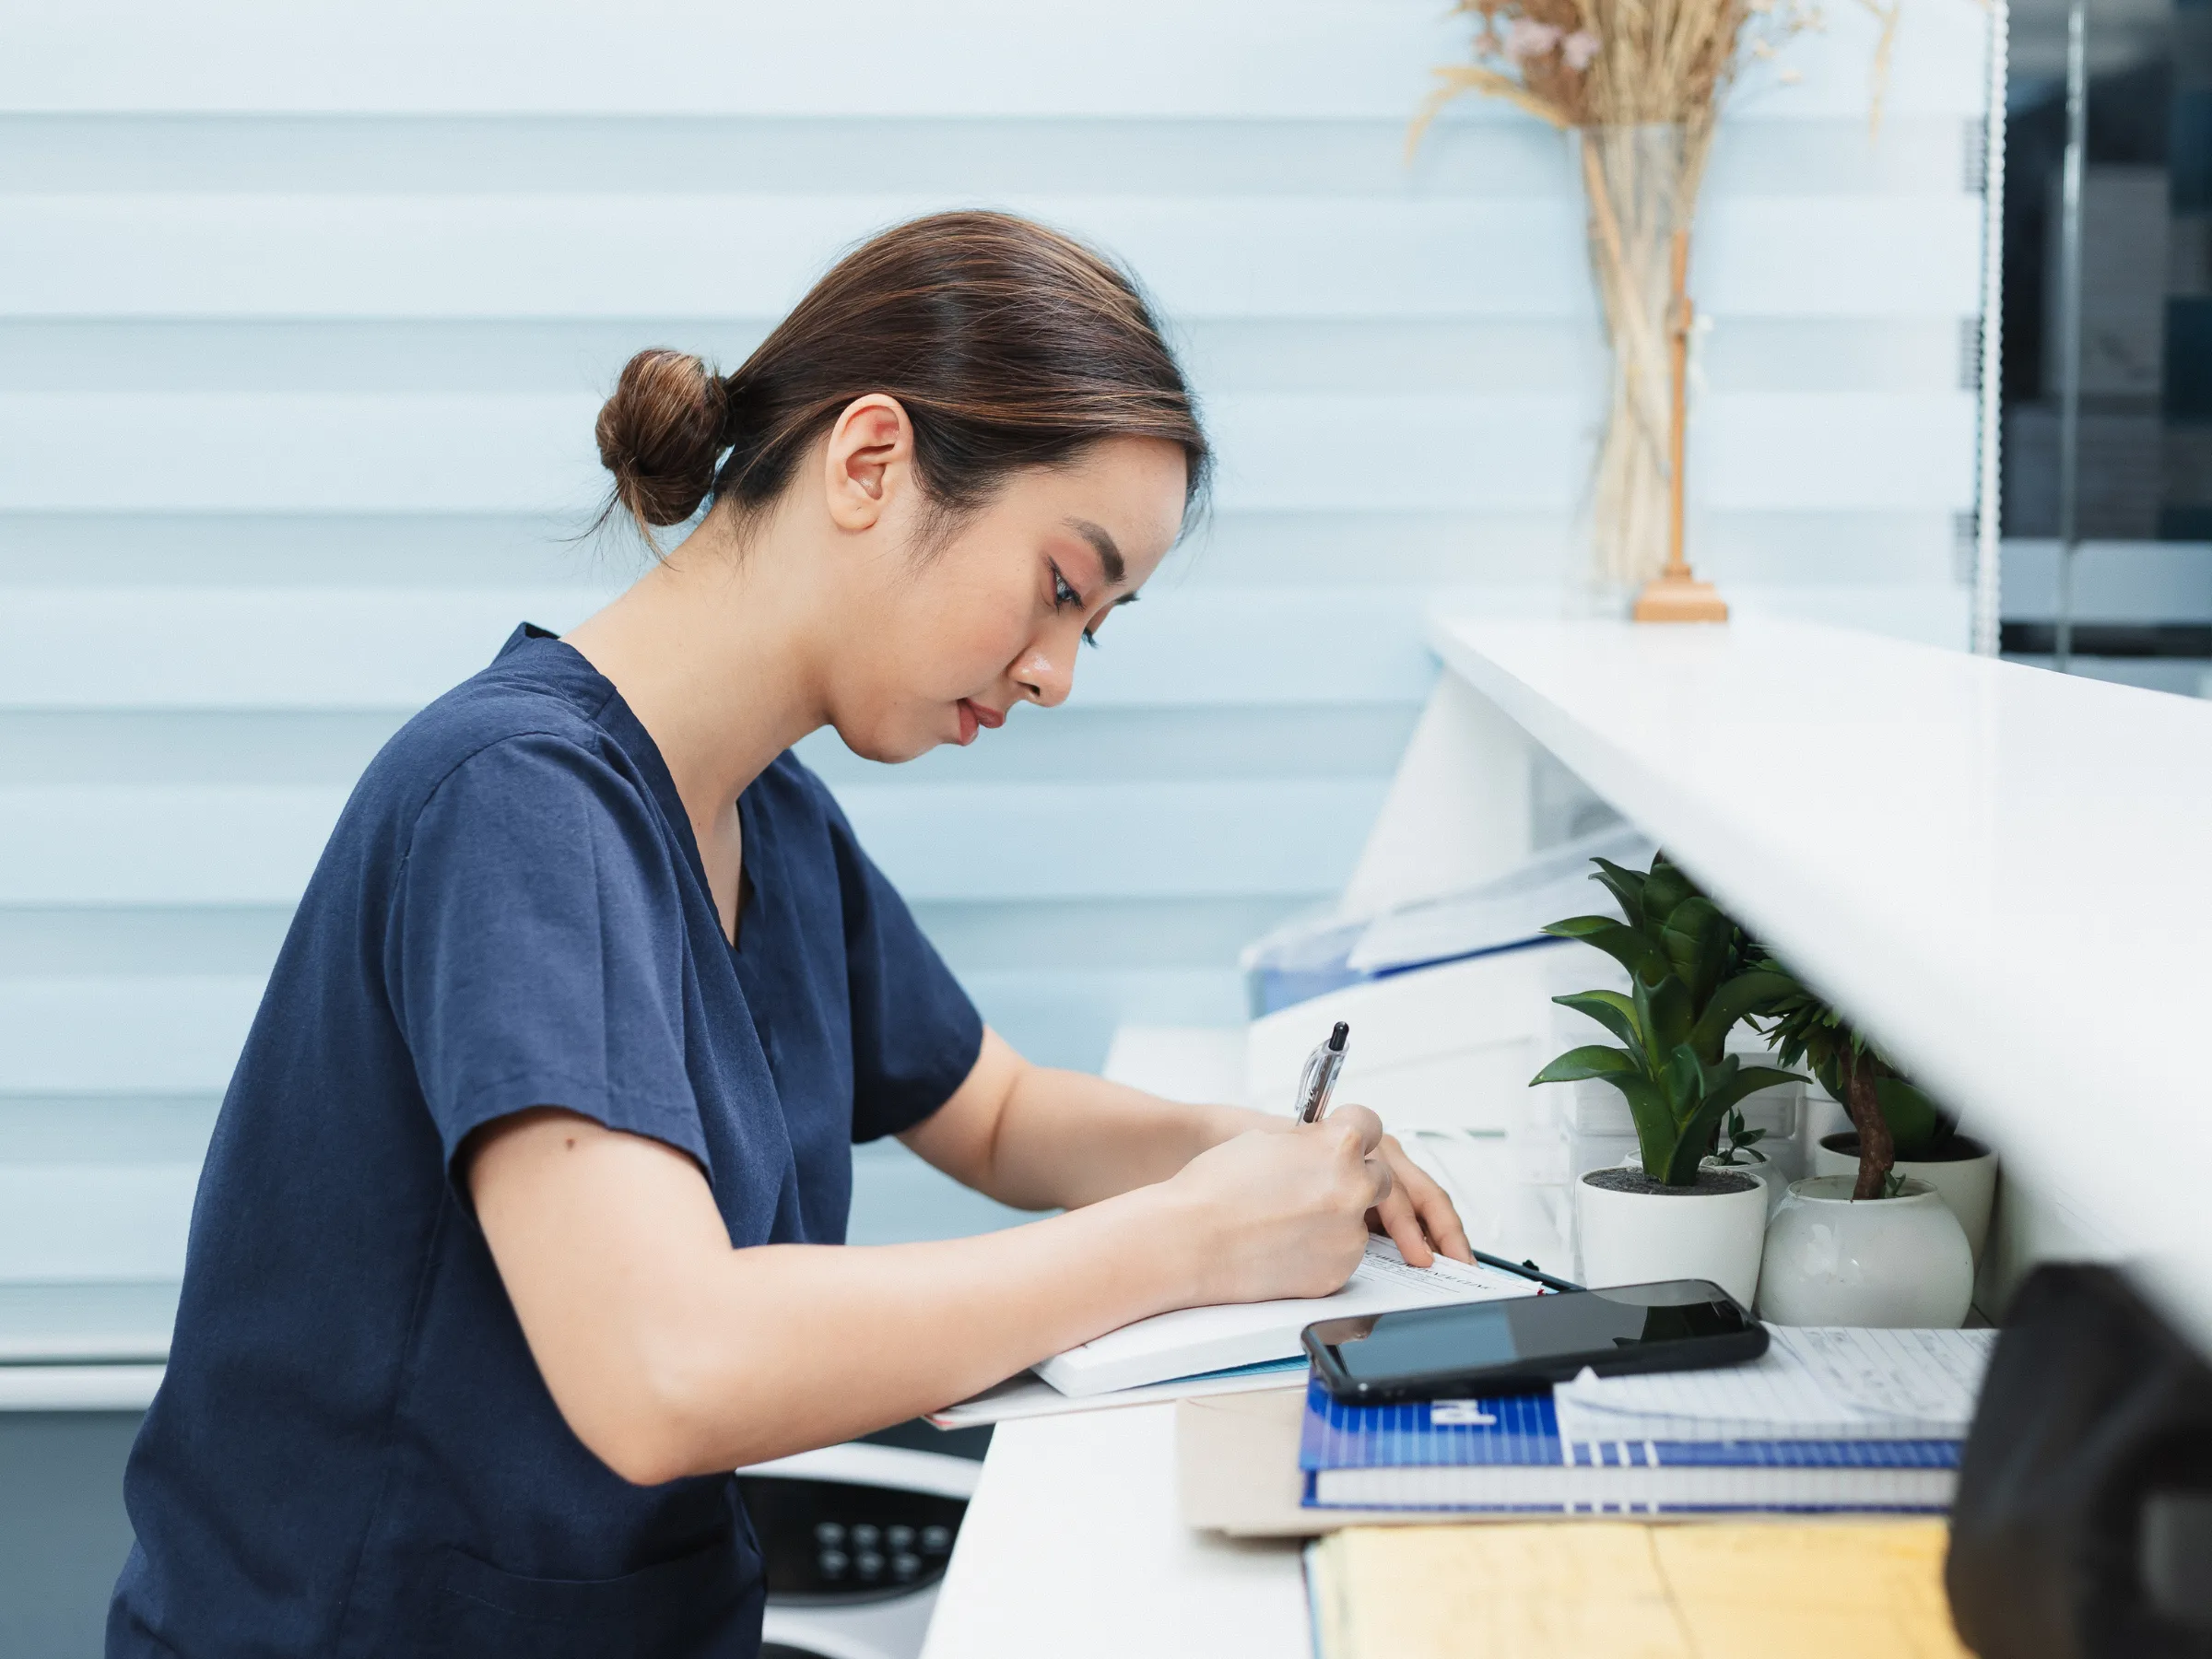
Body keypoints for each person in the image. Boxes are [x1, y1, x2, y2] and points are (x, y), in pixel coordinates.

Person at [108, 210, 1471, 1658]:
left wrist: (1250, 1156)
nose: (1060, 672)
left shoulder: (769, 816)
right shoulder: (518, 806)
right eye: (1061, 588)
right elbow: (665, 1369)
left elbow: (997, 1109)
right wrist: (1191, 1243)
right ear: (870, 462)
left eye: (1099, 624)